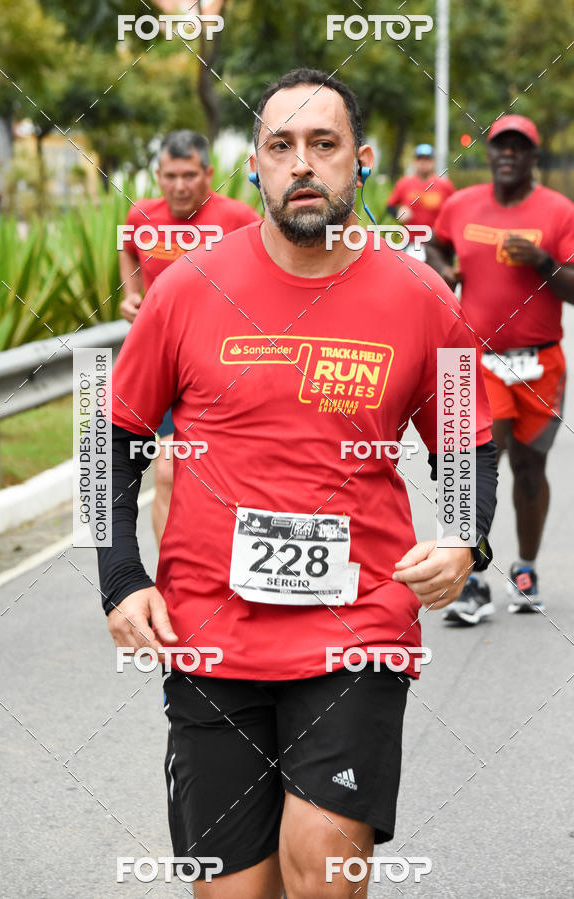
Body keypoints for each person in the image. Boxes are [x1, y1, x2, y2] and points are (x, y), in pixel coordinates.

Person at [98, 69, 497, 897]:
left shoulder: (423, 296)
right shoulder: (186, 288)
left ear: (362, 160)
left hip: (359, 628)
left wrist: (466, 537)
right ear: (255, 166)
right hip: (209, 635)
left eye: (324, 143)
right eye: (281, 145)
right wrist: (120, 577)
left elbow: (467, 440)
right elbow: (109, 437)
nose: (302, 163)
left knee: (320, 870)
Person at [426, 114, 574, 625]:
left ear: (533, 157)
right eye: (500, 146)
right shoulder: (461, 205)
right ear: (489, 154)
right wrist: (443, 269)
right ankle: (469, 579)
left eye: (518, 147)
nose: (507, 154)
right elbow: (435, 244)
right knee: (467, 468)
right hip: (470, 359)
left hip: (539, 362)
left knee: (529, 470)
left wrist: (542, 261)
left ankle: (526, 569)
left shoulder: (559, 211)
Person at [119, 129, 261, 545]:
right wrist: (130, 295)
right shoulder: (140, 217)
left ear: (208, 174)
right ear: (158, 176)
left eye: (189, 175)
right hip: (163, 365)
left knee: (228, 473)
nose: (179, 186)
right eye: (170, 176)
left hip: (224, 367)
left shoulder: (238, 218)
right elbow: (128, 247)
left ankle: (231, 558)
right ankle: (171, 575)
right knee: (167, 470)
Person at [386, 143, 455, 231]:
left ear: (433, 162)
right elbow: (389, 207)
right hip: (410, 237)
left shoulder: (445, 185)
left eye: (427, 159)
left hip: (436, 237)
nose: (423, 163)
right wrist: (398, 213)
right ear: (415, 162)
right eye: (420, 159)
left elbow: (455, 209)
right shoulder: (404, 183)